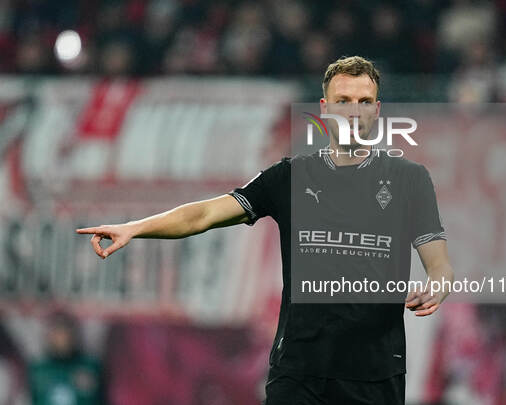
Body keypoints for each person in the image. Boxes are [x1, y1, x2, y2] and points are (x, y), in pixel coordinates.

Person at [76, 55, 454, 404]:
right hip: (300, 374)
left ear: (377, 110)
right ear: (324, 109)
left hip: (375, 375)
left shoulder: (409, 181)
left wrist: (436, 285)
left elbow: (439, 264)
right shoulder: (289, 177)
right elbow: (204, 215)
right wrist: (135, 228)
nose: (353, 112)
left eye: (364, 101)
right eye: (343, 101)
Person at [28, 312, 103, 405]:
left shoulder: (90, 367)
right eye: (58, 333)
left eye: (66, 332)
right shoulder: (38, 370)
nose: (62, 338)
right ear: (49, 336)